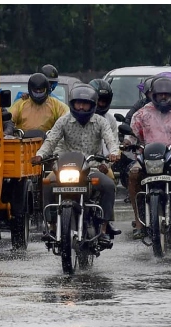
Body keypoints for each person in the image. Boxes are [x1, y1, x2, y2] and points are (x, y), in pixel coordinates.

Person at [31, 84, 121, 242]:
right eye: (78, 103)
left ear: (92, 105)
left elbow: (110, 141)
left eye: (85, 103)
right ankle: (51, 226)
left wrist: (114, 153)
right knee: (47, 183)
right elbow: (51, 141)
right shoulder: (63, 120)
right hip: (66, 167)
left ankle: (104, 228)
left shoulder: (101, 122)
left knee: (108, 185)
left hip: (91, 167)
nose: (81, 107)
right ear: (72, 104)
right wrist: (40, 155)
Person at [127, 76, 171, 237]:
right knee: (133, 174)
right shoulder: (141, 114)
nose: (164, 98)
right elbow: (132, 134)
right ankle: (138, 221)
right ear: (153, 95)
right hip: (147, 159)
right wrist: (127, 141)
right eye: (160, 95)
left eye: (167, 95)